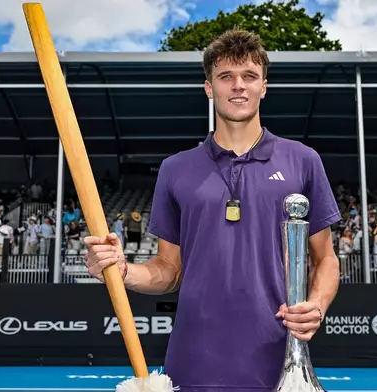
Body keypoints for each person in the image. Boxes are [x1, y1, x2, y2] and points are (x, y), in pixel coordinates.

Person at [84, 28, 341, 391]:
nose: (238, 85)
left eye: (249, 76)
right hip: (194, 360)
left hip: (278, 359)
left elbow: (326, 259)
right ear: (209, 88)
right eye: (226, 77)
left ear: (263, 86)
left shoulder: (303, 161)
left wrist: (315, 305)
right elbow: (168, 270)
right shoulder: (176, 169)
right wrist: (121, 270)